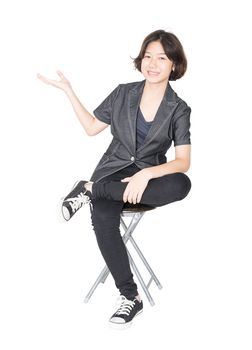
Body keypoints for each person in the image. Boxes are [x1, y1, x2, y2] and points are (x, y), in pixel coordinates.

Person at [37, 29, 192, 328]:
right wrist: (69, 91)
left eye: (162, 57)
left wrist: (146, 174)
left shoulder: (179, 109)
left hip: (146, 179)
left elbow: (183, 162)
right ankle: (130, 297)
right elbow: (92, 128)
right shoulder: (124, 92)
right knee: (104, 219)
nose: (152, 63)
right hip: (112, 172)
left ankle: (89, 190)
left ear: (174, 64)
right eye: (148, 55)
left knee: (181, 184)